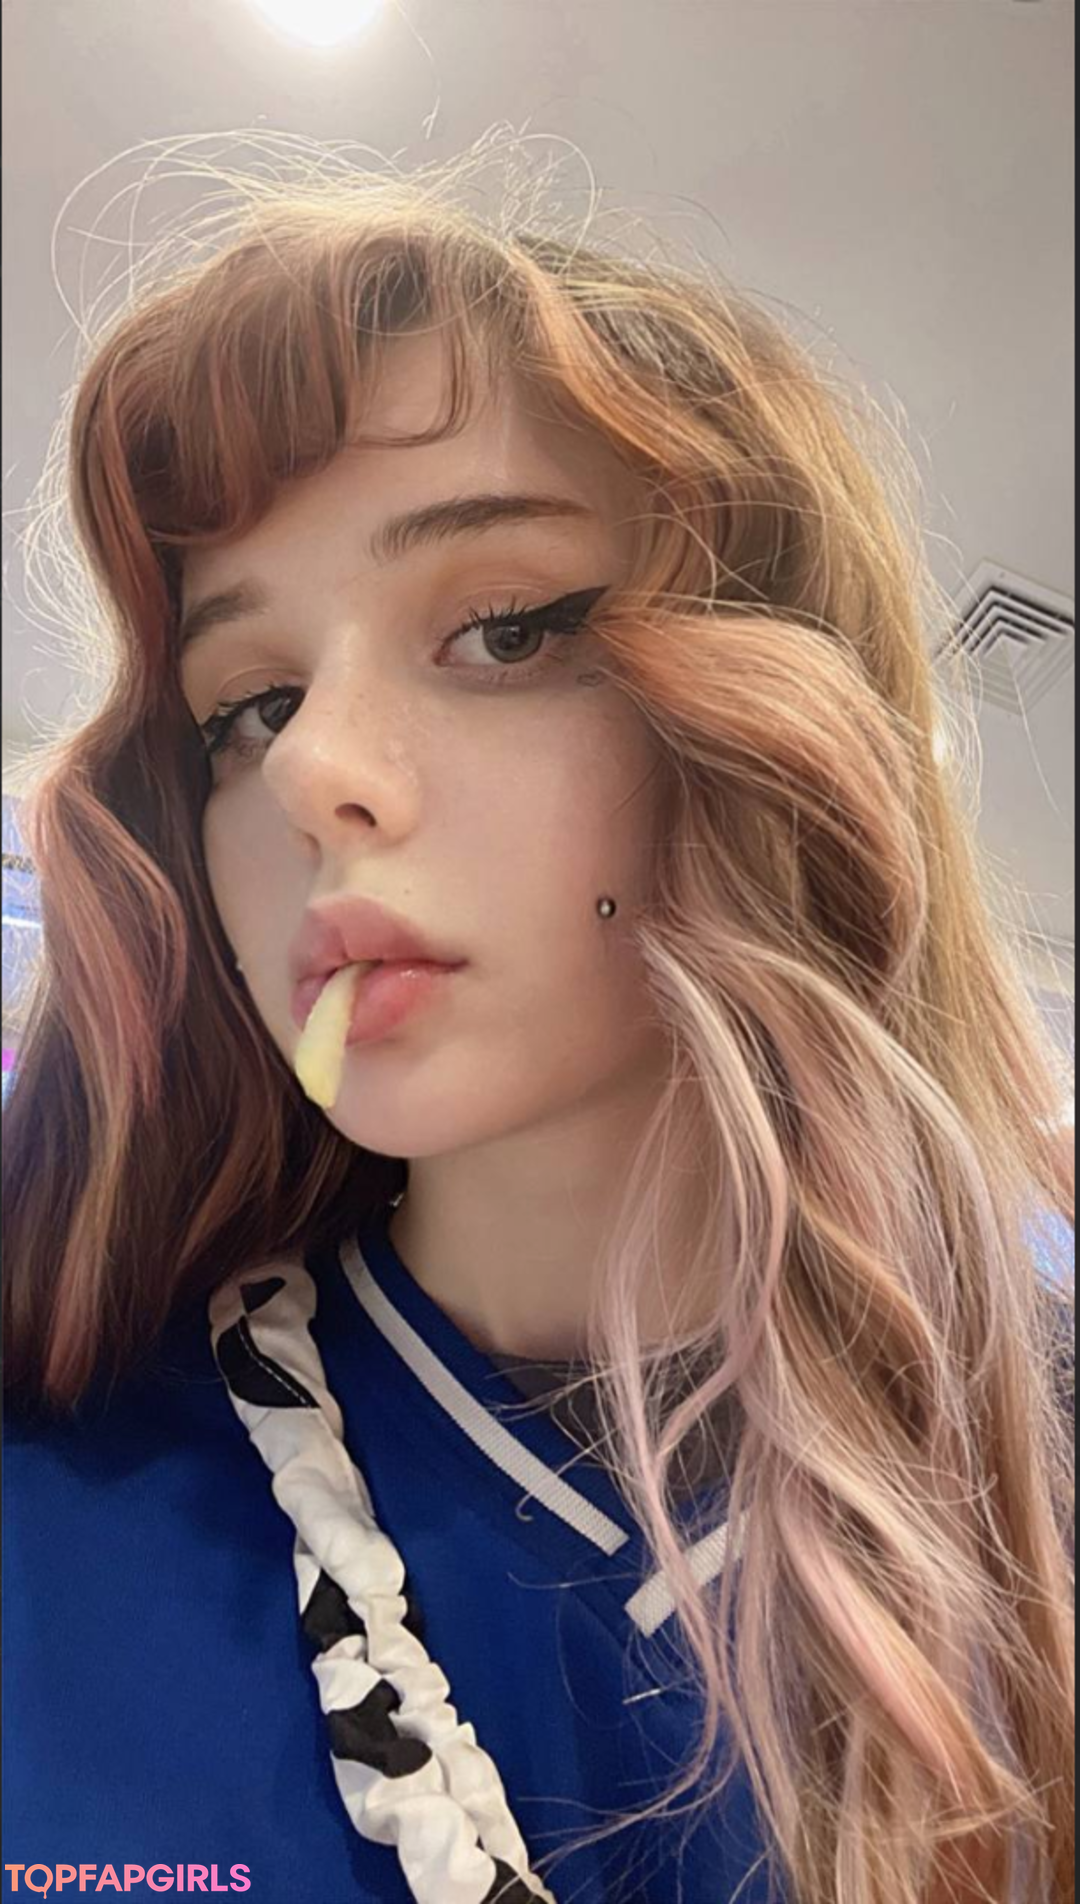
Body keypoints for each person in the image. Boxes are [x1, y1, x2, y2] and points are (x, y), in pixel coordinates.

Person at [3, 136, 1074, 1904]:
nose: (315, 772)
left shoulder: (1036, 1462)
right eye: (248, 705)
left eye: (502, 630)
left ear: (780, 723)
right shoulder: (57, 1519)